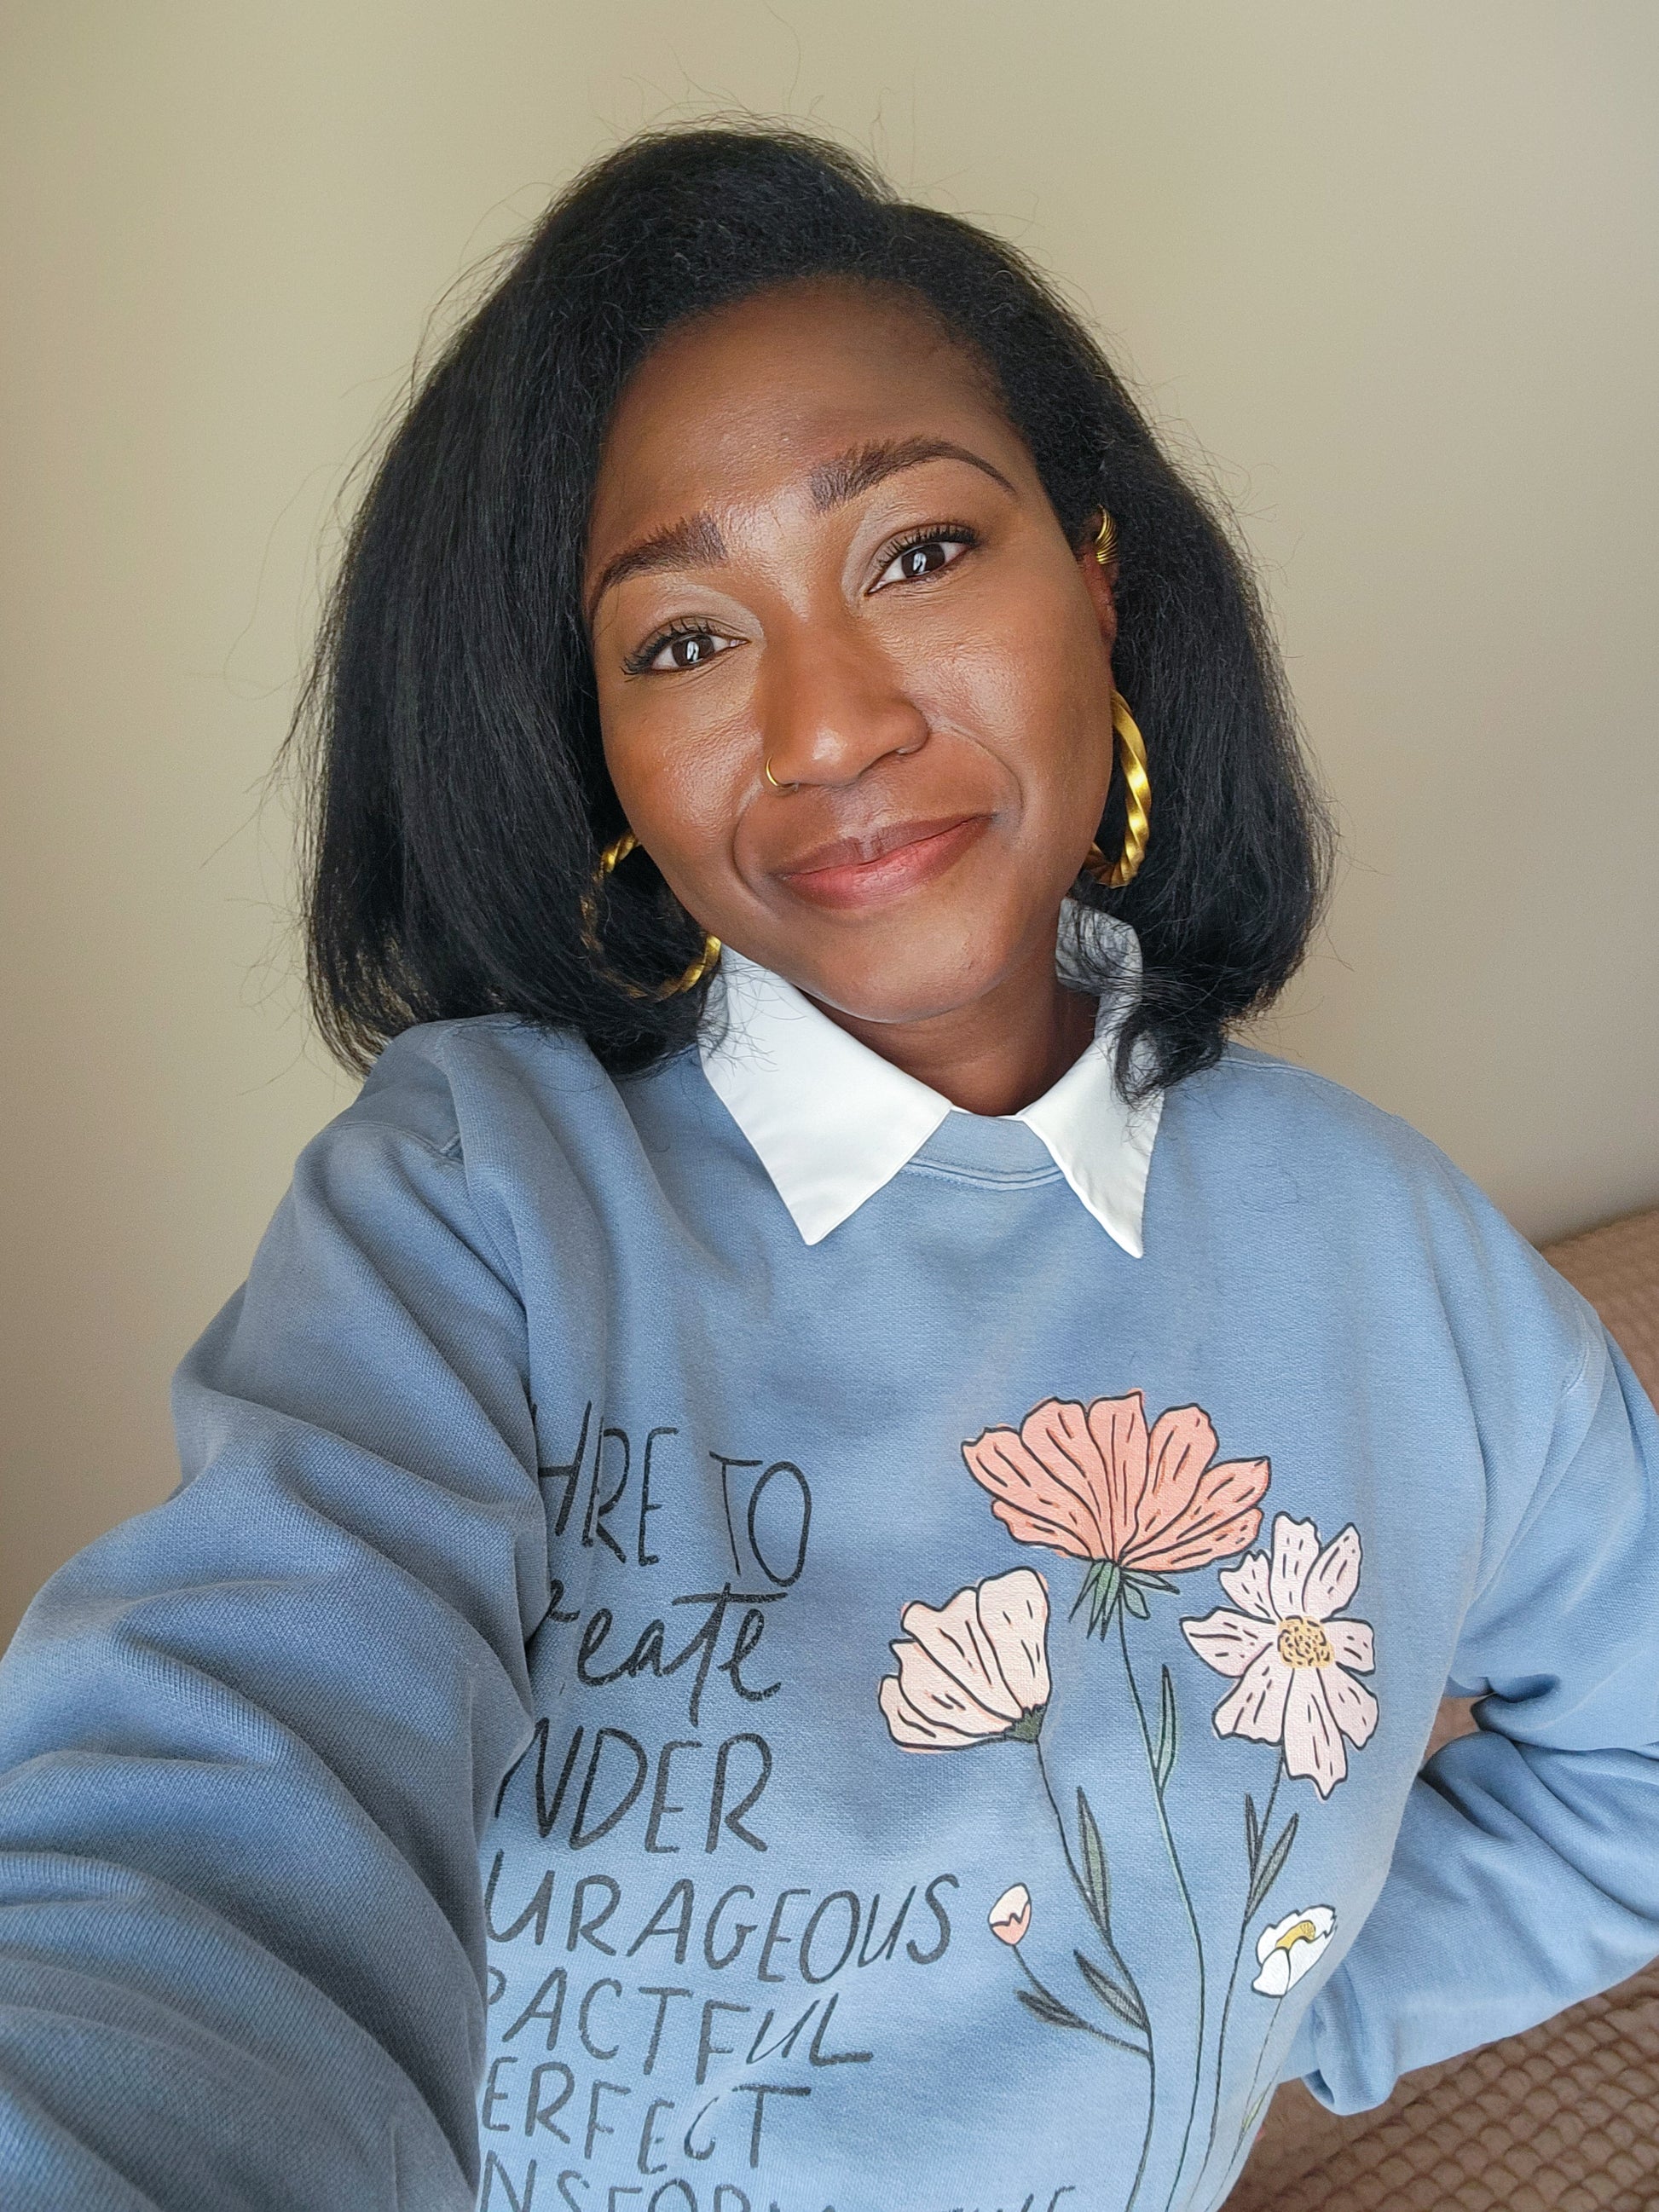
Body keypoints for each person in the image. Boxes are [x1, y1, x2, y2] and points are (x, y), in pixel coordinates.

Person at [0, 122, 1654, 2212]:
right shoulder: (477, 1200)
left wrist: (1267, 2015)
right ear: (601, 753)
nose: (828, 726)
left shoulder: (1395, 1258)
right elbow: (221, 1804)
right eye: (683, 640)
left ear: (1097, 586)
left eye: (918, 550)